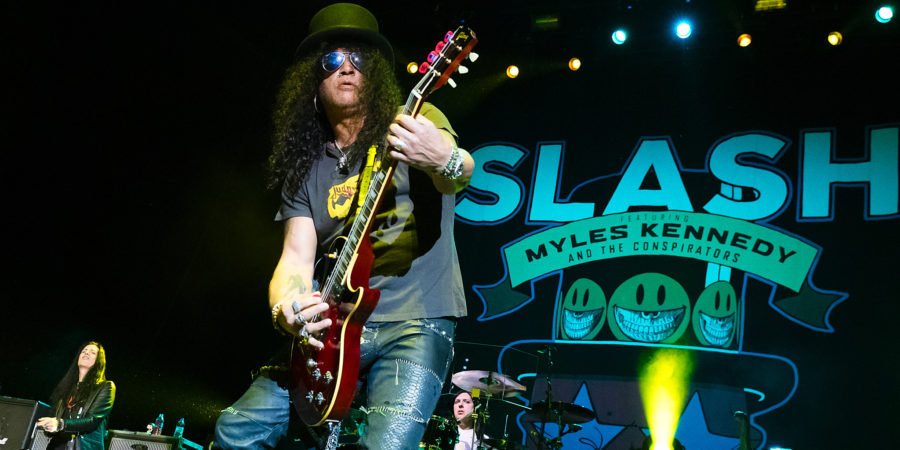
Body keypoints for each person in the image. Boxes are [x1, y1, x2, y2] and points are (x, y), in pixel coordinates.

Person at [214, 3, 473, 449]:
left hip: (415, 321)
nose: (347, 67)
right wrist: (286, 309)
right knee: (234, 429)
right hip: (333, 326)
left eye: (360, 58)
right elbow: (295, 260)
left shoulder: (415, 121)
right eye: (332, 59)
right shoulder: (306, 165)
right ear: (312, 80)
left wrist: (443, 158)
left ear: (376, 74)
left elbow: (459, 171)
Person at [37, 341, 115, 450]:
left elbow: (92, 420)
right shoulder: (67, 388)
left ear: (99, 361)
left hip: (84, 446)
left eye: (92, 352)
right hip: (59, 445)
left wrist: (60, 424)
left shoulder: (106, 386)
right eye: (84, 351)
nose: (86, 353)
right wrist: (49, 425)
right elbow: (55, 417)